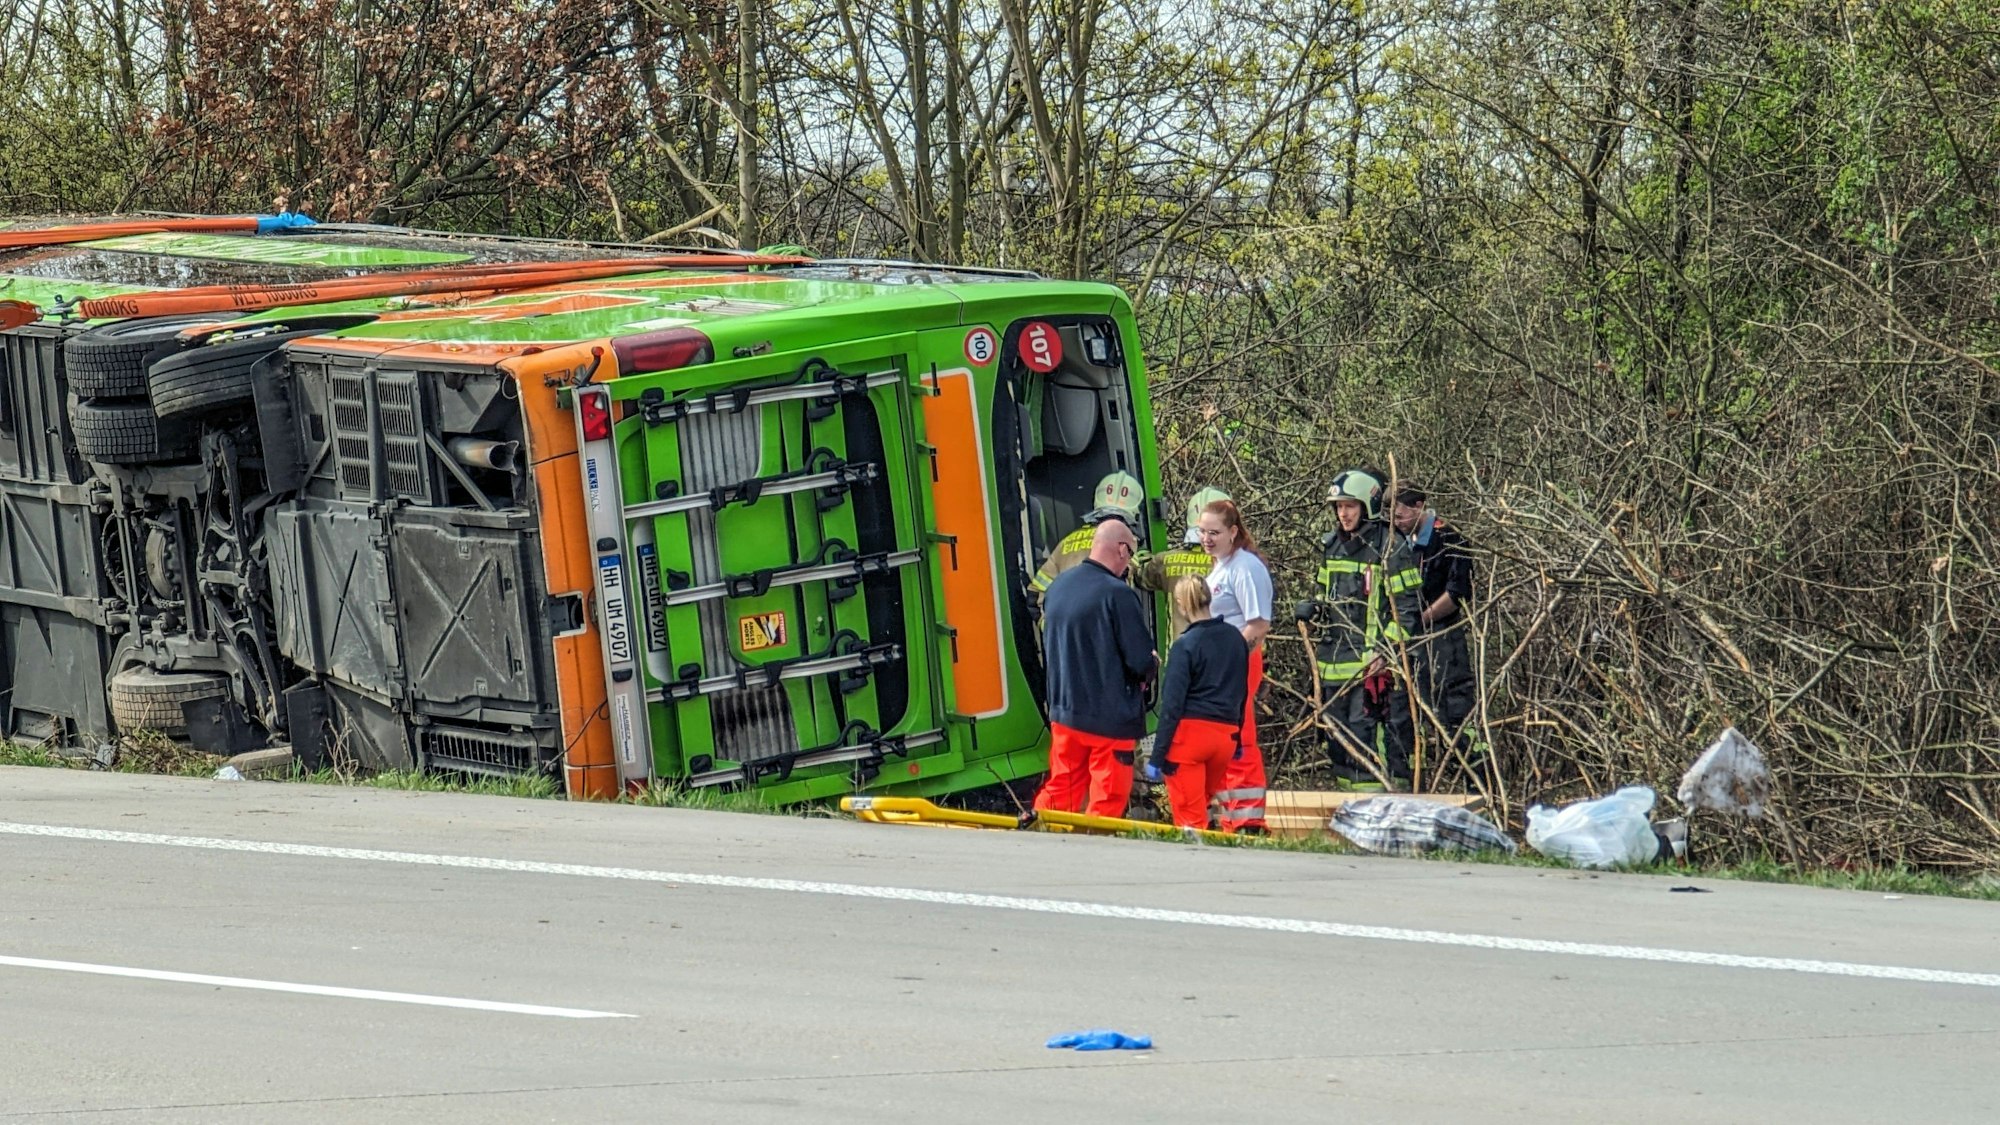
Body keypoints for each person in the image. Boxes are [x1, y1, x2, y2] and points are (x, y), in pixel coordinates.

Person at [1297, 468, 1424, 789]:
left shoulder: (1390, 548)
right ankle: (1347, 810)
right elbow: (1325, 598)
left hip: (1373, 671)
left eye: (1349, 506)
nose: (1343, 513)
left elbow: (1408, 612)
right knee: (1339, 744)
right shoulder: (1332, 547)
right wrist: (1311, 611)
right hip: (1333, 665)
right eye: (1338, 506)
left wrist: (1386, 651)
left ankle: (1384, 807)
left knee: (1370, 742)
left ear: (1367, 505)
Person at [1034, 518, 1159, 817]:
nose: (1128, 562)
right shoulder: (1118, 594)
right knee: (1107, 796)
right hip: (1109, 719)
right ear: (1120, 549)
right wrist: (1152, 664)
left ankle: (1036, 837)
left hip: (1065, 714)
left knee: (1061, 787)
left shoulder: (1058, 587)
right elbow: (1139, 659)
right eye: (1129, 553)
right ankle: (1095, 854)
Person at [1143, 576, 1248, 829]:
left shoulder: (1185, 645)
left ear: (1181, 604)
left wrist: (1157, 757)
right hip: (1225, 736)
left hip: (1189, 739)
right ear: (1209, 598)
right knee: (1202, 803)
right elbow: (1241, 693)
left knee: (1190, 818)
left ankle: (1193, 863)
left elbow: (1172, 705)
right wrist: (1238, 740)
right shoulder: (1236, 639)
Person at [1196, 498, 1273, 832]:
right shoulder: (1221, 566)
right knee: (1224, 738)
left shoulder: (1245, 567)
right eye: (1202, 532)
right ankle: (1231, 816)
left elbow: (1258, 624)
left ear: (1233, 532)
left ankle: (1248, 820)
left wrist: (1231, 658)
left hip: (1240, 661)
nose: (1207, 539)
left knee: (1239, 739)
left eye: (1214, 532)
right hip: (1221, 664)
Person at [1390, 485, 1477, 751]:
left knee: (1453, 707)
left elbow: (1458, 593)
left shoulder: (1450, 538)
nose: (1397, 522)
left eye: (1401, 515)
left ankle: (1472, 768)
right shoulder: (1398, 542)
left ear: (1419, 506)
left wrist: (1421, 620)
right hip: (1412, 638)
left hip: (1444, 636)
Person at [1133, 486, 1230, 646]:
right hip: (1220, 662)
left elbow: (1140, 575)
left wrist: (1141, 553)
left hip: (1179, 659)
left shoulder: (1167, 561)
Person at [1029, 470, 1144, 604]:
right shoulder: (1126, 547)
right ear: (1135, 514)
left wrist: (1050, 624)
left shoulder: (1067, 543)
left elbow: (1035, 593)